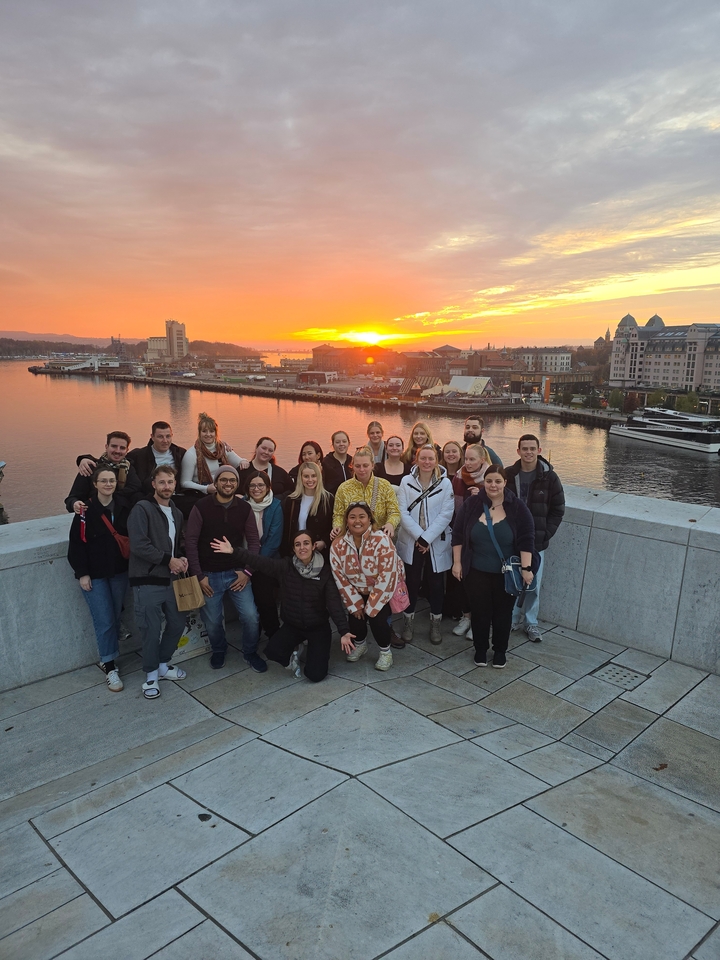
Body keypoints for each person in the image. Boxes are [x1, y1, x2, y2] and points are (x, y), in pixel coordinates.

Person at [210, 530, 356, 683]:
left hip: (317, 627)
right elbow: (260, 561)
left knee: (315, 675)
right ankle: (296, 649)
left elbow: (334, 604)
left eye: (306, 543)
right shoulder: (286, 566)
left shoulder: (325, 572)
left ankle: (312, 650)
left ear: (314, 546)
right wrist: (234, 551)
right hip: (293, 625)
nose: (302, 548)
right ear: (293, 549)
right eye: (297, 545)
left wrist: (344, 631)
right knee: (272, 652)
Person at [451, 464, 536, 669]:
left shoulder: (517, 507)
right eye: (489, 481)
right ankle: (480, 649)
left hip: (506, 574)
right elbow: (458, 534)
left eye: (498, 481)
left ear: (505, 483)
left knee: (502, 614)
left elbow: (527, 539)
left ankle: (500, 651)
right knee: (480, 613)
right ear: (484, 483)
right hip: (476, 571)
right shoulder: (472, 504)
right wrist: (457, 562)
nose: (493, 485)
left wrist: (526, 569)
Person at [183, 465, 266, 672]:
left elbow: (254, 542)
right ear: (216, 482)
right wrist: (199, 576)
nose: (228, 483)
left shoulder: (244, 508)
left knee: (251, 616)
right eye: (224, 480)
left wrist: (247, 572)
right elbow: (190, 542)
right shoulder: (201, 507)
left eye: (232, 480)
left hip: (237, 573)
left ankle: (250, 652)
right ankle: (219, 650)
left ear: (237, 483)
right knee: (212, 622)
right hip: (208, 576)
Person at [127, 465, 189, 699]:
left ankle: (163, 664)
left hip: (172, 579)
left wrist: (180, 556)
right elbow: (139, 545)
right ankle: (151, 675)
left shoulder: (176, 512)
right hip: (148, 580)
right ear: (153, 484)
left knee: (177, 623)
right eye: (162, 482)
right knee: (151, 629)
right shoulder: (141, 509)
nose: (167, 487)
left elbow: (177, 543)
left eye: (170, 482)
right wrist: (168, 560)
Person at [67, 467, 130, 692]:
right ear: (95, 484)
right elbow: (76, 544)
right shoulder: (85, 511)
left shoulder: (124, 507)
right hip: (94, 574)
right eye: (103, 481)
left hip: (119, 572)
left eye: (111, 480)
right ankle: (110, 666)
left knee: (114, 615)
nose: (108, 484)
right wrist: (82, 573)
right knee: (104, 619)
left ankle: (109, 656)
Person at [504, 434, 565, 643]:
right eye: (524, 448)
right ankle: (511, 619)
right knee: (510, 581)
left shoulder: (550, 477)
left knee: (533, 585)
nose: (528, 452)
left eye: (532, 448)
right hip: (512, 540)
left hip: (536, 541)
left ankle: (531, 623)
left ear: (539, 451)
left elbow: (558, 509)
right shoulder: (509, 475)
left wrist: (545, 534)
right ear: (518, 451)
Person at [330, 502, 405, 671]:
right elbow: (339, 576)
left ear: (369, 519)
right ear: (346, 520)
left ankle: (386, 652)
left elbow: (388, 574)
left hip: (380, 590)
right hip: (355, 590)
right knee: (355, 619)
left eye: (362, 516)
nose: (357, 521)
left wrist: (372, 605)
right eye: (352, 517)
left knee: (378, 620)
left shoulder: (382, 540)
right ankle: (360, 645)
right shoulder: (338, 544)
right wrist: (355, 603)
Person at [397, 445, 455, 644]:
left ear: (436, 460)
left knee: (436, 584)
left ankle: (435, 624)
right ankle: (408, 622)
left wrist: (426, 538)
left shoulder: (445, 484)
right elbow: (402, 512)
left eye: (431, 458)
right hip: (412, 541)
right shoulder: (406, 481)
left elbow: (446, 514)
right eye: (423, 458)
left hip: (434, 542)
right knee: (411, 583)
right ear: (417, 459)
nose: (427, 462)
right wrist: (419, 537)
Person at [244, 469, 284, 639]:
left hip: (268, 561)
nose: (256, 488)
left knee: (264, 592)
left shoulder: (275, 506)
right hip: (246, 559)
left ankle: (273, 633)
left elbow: (273, 542)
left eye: (261, 485)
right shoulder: (242, 505)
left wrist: (252, 567)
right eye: (252, 485)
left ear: (268, 487)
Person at [180, 413, 249, 509]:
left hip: (223, 488)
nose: (208, 434)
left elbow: (239, 461)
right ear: (199, 433)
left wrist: (243, 461)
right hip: (202, 493)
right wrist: (206, 489)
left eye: (211, 431)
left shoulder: (223, 449)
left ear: (216, 433)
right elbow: (184, 482)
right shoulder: (191, 454)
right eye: (204, 431)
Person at [331, 446, 400, 540]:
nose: (362, 469)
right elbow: (339, 514)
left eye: (365, 465)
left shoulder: (384, 485)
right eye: (358, 466)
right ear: (352, 466)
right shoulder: (343, 488)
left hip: (379, 540)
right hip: (353, 540)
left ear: (372, 465)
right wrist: (337, 527)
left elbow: (394, 512)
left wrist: (390, 524)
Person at [66, 431, 141, 514]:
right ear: (106, 447)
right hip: (94, 517)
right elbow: (72, 498)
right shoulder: (90, 468)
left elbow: (136, 487)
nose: (117, 451)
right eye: (114, 446)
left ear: (127, 450)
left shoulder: (128, 468)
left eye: (122, 448)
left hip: (119, 521)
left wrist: (111, 496)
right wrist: (74, 504)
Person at [126, 421, 187, 504]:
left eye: (168, 436)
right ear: (152, 437)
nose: (165, 441)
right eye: (160, 437)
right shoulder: (138, 456)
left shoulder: (181, 453)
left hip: (175, 496)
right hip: (150, 497)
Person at [282, 462, 334, 556]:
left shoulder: (328, 499)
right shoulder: (291, 500)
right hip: (296, 552)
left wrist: (324, 542)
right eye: (306, 476)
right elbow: (286, 530)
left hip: (318, 552)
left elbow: (332, 525)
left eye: (314, 476)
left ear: (319, 477)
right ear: (300, 478)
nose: (310, 480)